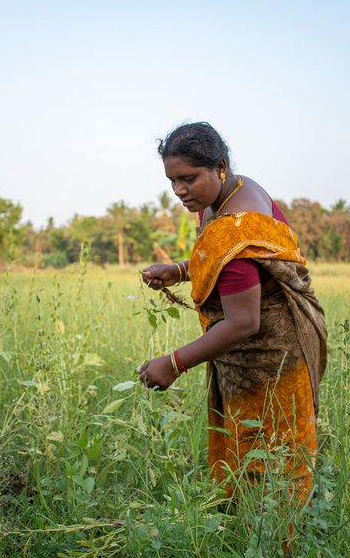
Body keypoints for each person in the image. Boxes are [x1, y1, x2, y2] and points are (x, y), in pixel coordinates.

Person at [138, 122, 327, 507]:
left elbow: (244, 322)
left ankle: (277, 543)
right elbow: (225, 262)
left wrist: (174, 363)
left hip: (273, 358)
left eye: (188, 179)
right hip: (259, 350)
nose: (179, 191)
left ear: (219, 166)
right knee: (252, 455)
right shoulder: (233, 191)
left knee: (273, 463)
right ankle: (244, 533)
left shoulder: (236, 225)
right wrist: (179, 269)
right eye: (172, 181)